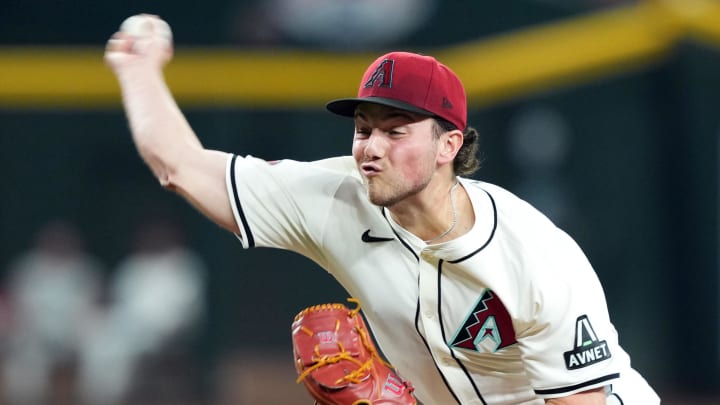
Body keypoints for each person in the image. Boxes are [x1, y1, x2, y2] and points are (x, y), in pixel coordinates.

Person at [105, 14, 660, 404]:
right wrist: (138, 71)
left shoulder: (534, 257)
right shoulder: (335, 198)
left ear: (449, 145)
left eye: (396, 131)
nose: (371, 147)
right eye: (363, 129)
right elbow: (180, 165)